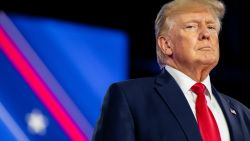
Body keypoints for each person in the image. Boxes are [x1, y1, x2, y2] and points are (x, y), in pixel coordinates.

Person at [92, 0, 250, 141]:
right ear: (166, 44)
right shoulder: (129, 98)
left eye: (211, 27)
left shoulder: (243, 114)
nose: (206, 34)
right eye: (192, 26)